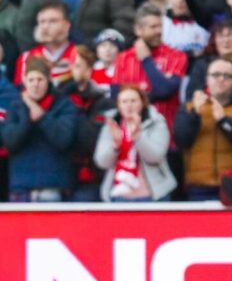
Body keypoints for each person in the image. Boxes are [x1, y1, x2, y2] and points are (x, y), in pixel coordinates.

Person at [174, 58, 232, 201]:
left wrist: (223, 120)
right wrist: (194, 114)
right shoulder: (189, 107)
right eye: (216, 75)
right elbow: (182, 140)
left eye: (227, 76)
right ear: (207, 79)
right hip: (199, 186)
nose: (221, 79)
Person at [3, 56, 76, 202]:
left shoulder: (64, 105)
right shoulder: (15, 106)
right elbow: (10, 142)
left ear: (48, 80)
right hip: (20, 186)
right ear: (24, 80)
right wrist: (27, 115)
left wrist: (42, 117)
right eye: (31, 80)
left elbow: (63, 140)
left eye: (40, 79)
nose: (35, 84)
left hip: (53, 185)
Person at [112, 3, 188, 134]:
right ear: (138, 30)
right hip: (131, 136)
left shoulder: (177, 56)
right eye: (153, 27)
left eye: (161, 26)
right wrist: (154, 91)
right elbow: (116, 97)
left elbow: (165, 91)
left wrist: (146, 60)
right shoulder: (123, 59)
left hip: (166, 134)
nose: (159, 31)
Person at [95, 84, 177, 202]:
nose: (129, 105)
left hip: (152, 196)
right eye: (124, 101)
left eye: (133, 101)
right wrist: (115, 146)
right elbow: (101, 162)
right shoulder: (112, 125)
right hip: (119, 196)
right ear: (118, 105)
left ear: (142, 103)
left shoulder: (156, 122)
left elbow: (155, 156)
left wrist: (138, 137)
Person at [60, 45, 114, 202]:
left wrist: (74, 110)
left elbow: (89, 140)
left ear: (89, 70)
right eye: (68, 65)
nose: (71, 70)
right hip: (59, 173)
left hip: (88, 176)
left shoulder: (103, 102)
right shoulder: (59, 99)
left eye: (76, 65)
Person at [15, 0, 77, 87]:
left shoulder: (80, 56)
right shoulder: (26, 58)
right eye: (42, 22)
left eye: (53, 21)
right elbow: (20, 94)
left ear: (66, 25)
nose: (45, 27)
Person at [91, 28, 125, 94]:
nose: (107, 49)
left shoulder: (125, 71)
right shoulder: (90, 70)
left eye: (112, 45)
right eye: (103, 45)